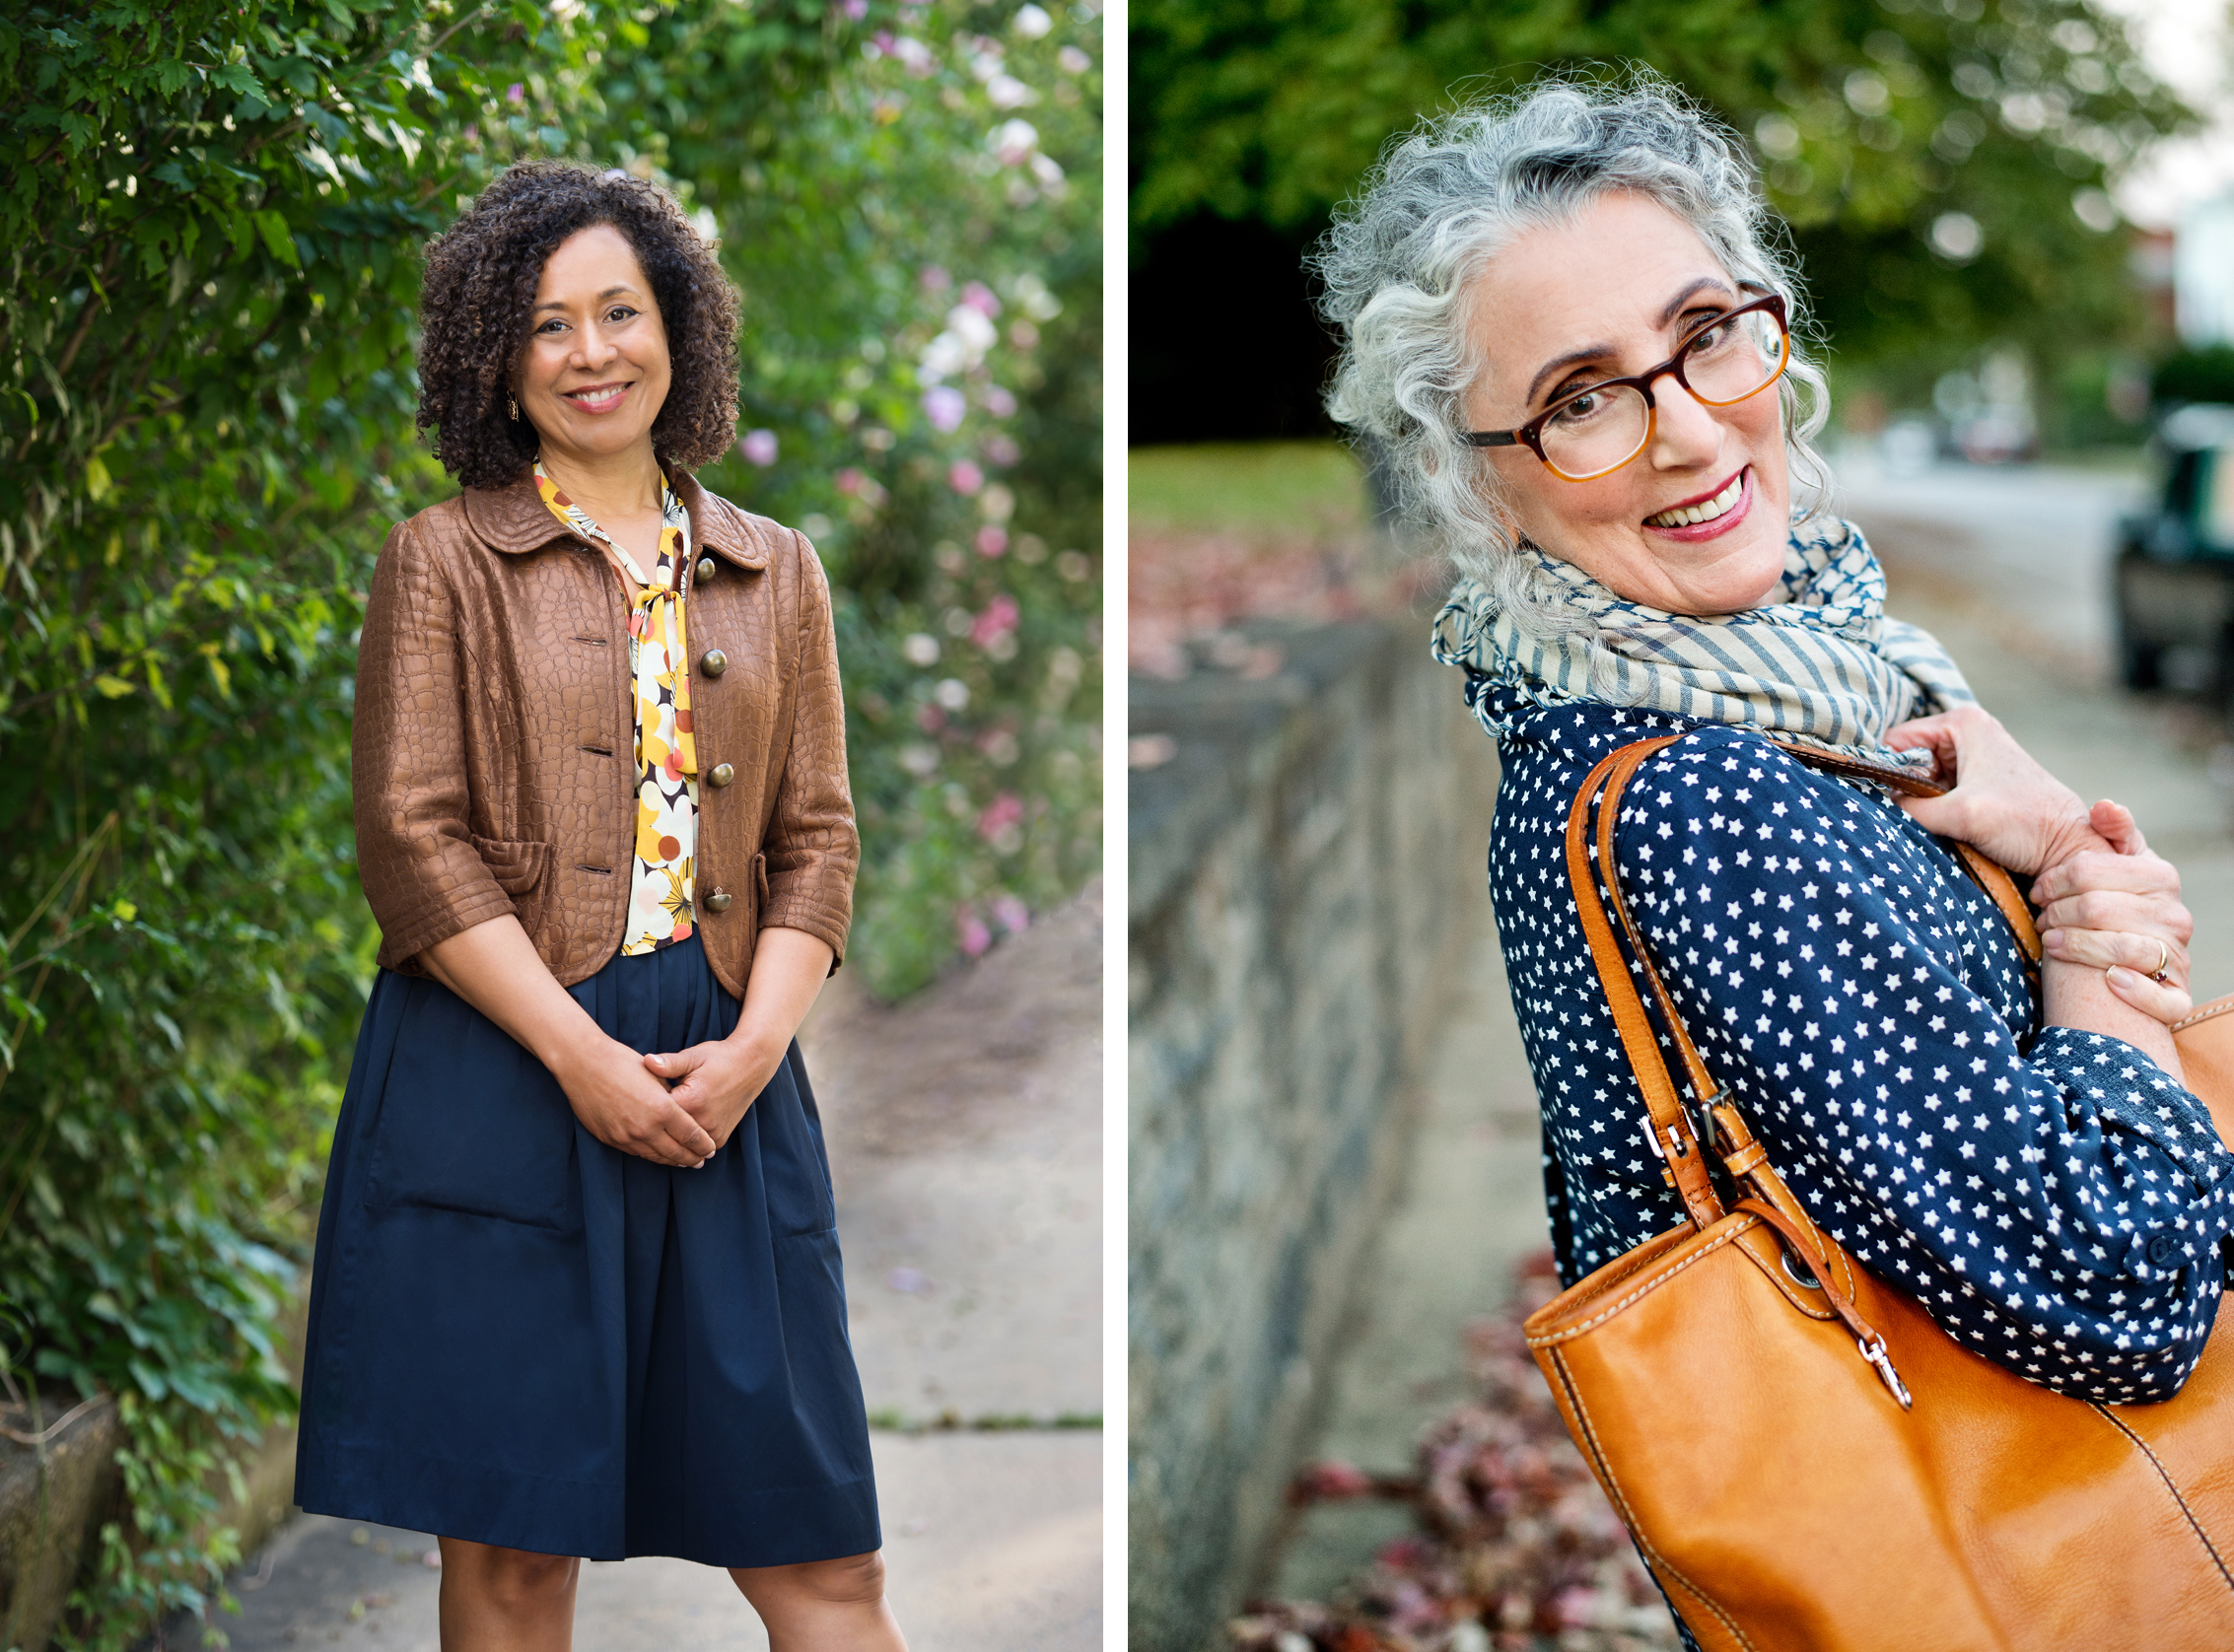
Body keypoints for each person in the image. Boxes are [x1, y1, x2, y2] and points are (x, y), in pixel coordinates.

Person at [1312, 75, 2234, 1640]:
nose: (1684, 428)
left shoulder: (1787, 691)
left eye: (1704, 334)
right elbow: (2120, 1295)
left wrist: (2039, 841)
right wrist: (2084, 918)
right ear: (1476, 475)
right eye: (1581, 398)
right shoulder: (1704, 803)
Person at [294, 161, 907, 1652]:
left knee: (824, 1564)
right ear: (498, 359)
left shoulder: (779, 572)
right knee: (510, 1564)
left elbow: (818, 838)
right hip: (499, 1071)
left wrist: (757, 1049)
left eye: (620, 312)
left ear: (677, 328)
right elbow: (412, 840)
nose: (591, 354)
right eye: (550, 325)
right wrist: (577, 1059)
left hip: (726, 1072)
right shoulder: (440, 559)